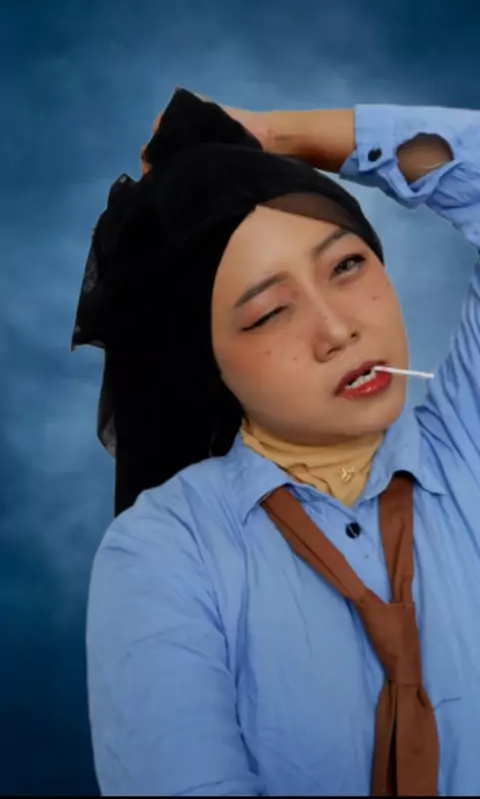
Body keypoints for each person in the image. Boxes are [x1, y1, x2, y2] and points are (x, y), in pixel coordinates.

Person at [77, 89, 480, 796]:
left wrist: (275, 134)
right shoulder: (167, 550)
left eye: (346, 266)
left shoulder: (466, 443)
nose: (337, 331)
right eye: (269, 314)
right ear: (208, 363)